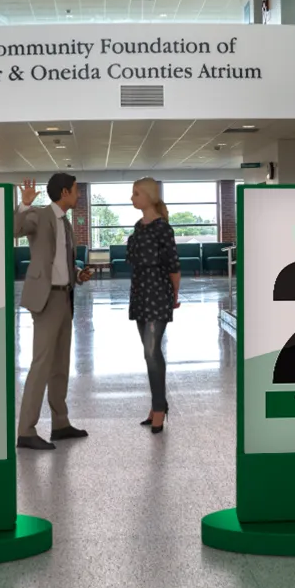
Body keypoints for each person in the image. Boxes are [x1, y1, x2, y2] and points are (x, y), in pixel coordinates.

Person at [16, 173, 95, 450]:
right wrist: (24, 204)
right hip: (46, 299)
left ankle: (60, 424)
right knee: (42, 364)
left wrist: (77, 273)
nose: (79, 195)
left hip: (65, 296)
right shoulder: (40, 215)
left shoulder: (66, 223)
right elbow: (16, 230)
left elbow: (60, 261)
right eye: (75, 190)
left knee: (60, 364)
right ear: (64, 192)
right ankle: (25, 430)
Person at [126, 177, 181, 434]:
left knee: (151, 351)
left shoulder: (163, 229)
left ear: (148, 196)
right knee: (150, 352)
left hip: (158, 294)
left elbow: (173, 266)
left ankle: (159, 408)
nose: (132, 198)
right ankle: (157, 403)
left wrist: (175, 295)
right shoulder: (139, 227)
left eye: (136, 194)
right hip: (139, 294)